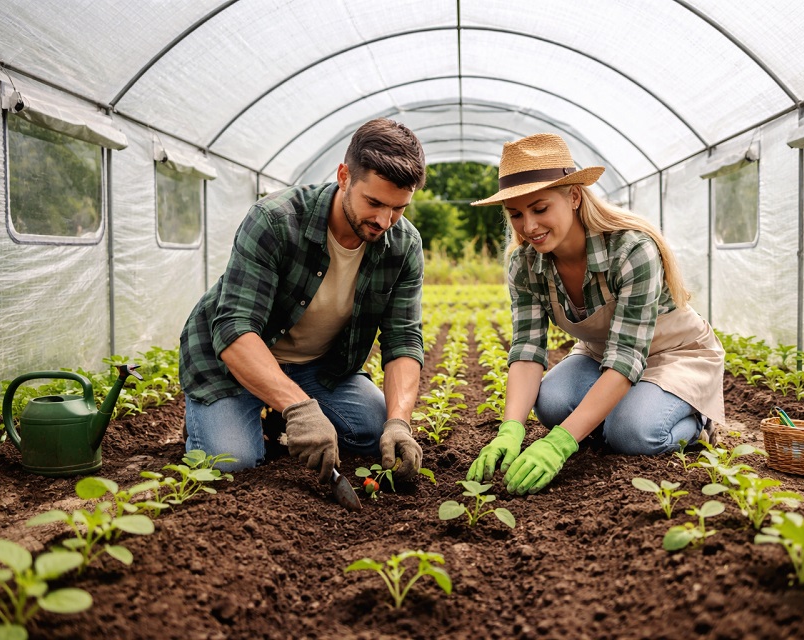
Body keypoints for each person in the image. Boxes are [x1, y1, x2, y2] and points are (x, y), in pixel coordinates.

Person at [466, 133, 725, 495]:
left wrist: (561, 443)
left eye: (540, 209)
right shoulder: (525, 265)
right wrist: (510, 429)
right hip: (602, 355)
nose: (529, 227)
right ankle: (617, 413)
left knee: (632, 433)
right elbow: (527, 350)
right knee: (551, 403)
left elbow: (626, 356)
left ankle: (696, 423)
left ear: (573, 196)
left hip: (673, 355)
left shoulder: (632, 250)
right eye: (516, 214)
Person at [179, 117, 427, 482]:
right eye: (374, 202)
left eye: (399, 208)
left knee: (376, 433)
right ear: (344, 176)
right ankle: (220, 412)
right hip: (233, 363)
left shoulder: (403, 246)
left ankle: (279, 410)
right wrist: (299, 409)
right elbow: (235, 328)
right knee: (234, 463)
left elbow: (403, 340)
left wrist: (399, 421)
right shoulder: (276, 220)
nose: (385, 220)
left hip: (317, 367)